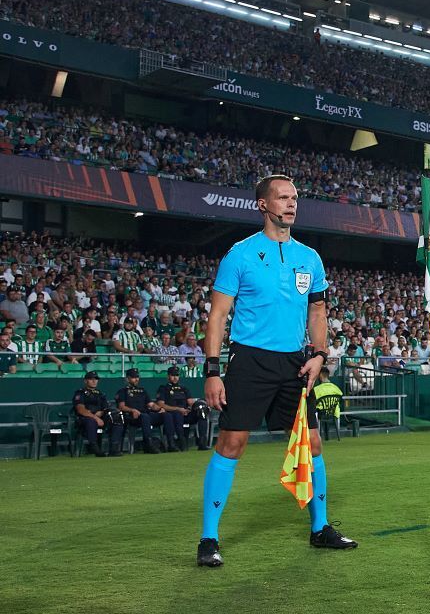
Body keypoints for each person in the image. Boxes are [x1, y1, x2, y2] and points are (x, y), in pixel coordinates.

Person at [198, 174, 356, 569]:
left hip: (295, 364)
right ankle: (208, 538)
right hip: (249, 360)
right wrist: (213, 371)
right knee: (232, 444)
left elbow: (318, 311)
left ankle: (320, 528)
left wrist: (319, 354)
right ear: (263, 205)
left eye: (295, 198)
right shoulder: (240, 254)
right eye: (283, 198)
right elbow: (217, 316)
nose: (291, 204)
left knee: (312, 445)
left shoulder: (310, 257)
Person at [115, 368, 171, 453]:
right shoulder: (122, 391)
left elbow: (150, 404)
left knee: (166, 415)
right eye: (134, 377)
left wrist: (160, 409)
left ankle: (171, 443)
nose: (136, 379)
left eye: (137, 377)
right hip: (132, 417)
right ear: (128, 379)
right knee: (145, 416)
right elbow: (121, 407)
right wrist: (132, 410)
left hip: (146, 415)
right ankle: (148, 444)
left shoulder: (142, 390)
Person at [72, 370, 125, 457]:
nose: (94, 381)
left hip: (100, 417)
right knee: (90, 421)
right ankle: (94, 448)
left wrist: (102, 412)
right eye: (91, 379)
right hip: (85, 419)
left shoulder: (100, 394)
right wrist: (95, 417)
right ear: (85, 381)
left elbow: (106, 408)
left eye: (96, 379)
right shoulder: (80, 393)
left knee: (117, 417)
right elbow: (80, 410)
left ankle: (114, 448)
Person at [156, 366, 211, 450]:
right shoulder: (163, 388)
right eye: (173, 375)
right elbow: (161, 405)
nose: (175, 377)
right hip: (173, 414)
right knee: (177, 414)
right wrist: (178, 409)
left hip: (186, 413)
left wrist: (190, 408)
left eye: (177, 375)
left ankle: (202, 442)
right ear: (168, 376)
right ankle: (181, 442)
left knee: (201, 410)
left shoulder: (183, 388)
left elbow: (190, 402)